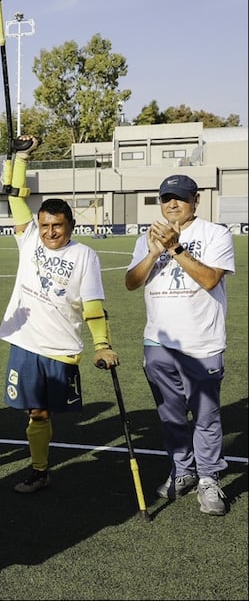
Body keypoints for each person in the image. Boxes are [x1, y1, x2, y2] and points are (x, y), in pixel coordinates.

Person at [0, 136, 119, 494]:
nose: (50, 232)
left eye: (58, 226)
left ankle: (41, 468)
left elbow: (93, 305)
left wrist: (102, 345)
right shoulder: (29, 237)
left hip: (60, 345)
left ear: (70, 226)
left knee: (45, 413)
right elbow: (13, 195)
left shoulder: (85, 256)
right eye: (46, 225)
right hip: (25, 341)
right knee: (34, 412)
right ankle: (40, 470)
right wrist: (19, 157)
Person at [125, 174, 235, 516]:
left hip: (202, 342)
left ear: (196, 201)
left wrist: (174, 248)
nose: (172, 204)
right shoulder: (149, 237)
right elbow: (131, 282)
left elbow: (209, 279)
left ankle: (209, 478)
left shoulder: (216, 233)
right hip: (157, 340)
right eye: (166, 198)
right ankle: (182, 470)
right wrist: (154, 251)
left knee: (206, 416)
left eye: (180, 198)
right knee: (170, 415)